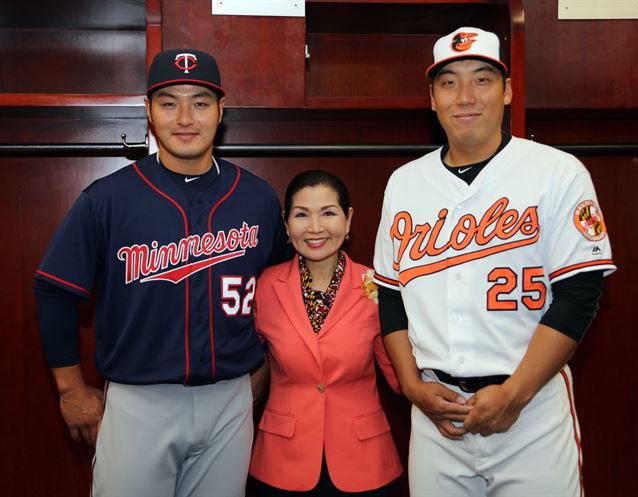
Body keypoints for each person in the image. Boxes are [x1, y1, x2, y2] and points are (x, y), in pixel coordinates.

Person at [33, 48, 290, 497]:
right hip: (139, 398)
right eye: (169, 103)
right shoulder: (107, 198)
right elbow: (54, 290)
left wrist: (265, 368)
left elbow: (280, 292)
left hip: (231, 397)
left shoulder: (257, 198)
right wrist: (71, 389)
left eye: (201, 102)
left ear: (221, 111)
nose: (185, 117)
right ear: (149, 111)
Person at [373, 27, 616, 496]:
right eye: (449, 82)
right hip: (435, 412)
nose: (465, 96)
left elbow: (580, 293)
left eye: (482, 79)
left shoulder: (557, 172)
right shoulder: (404, 183)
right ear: (432, 98)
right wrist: (409, 385)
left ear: (507, 91)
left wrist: (516, 393)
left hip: (531, 410)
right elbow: (391, 293)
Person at [248, 170, 403, 496]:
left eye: (328, 213)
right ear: (286, 224)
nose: (315, 228)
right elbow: (244, 364)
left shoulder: (377, 285)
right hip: (282, 460)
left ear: (347, 221)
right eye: (302, 214)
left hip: (365, 461)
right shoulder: (264, 287)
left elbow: (399, 375)